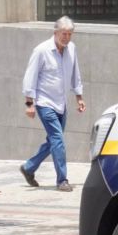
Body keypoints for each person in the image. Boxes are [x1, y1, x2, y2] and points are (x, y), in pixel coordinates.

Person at [19, 16, 85, 191]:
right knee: (58, 140)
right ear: (55, 33)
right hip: (44, 102)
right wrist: (29, 104)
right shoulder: (41, 51)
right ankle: (62, 180)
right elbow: (29, 77)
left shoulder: (71, 49)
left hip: (61, 104)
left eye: (70, 34)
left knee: (53, 141)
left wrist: (79, 97)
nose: (66, 37)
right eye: (63, 33)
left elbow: (75, 73)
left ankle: (29, 167)